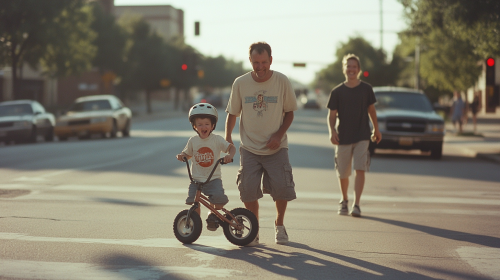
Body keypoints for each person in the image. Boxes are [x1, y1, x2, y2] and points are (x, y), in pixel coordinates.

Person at [225, 42, 297, 246]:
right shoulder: (240, 83)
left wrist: (279, 134)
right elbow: (232, 113)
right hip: (249, 147)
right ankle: (253, 230)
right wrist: (228, 138)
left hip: (277, 147)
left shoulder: (282, 81)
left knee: (282, 188)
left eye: (264, 62)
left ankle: (279, 224)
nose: (260, 66)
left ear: (271, 60)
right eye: (256, 62)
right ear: (250, 61)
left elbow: (290, 112)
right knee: (247, 189)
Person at [327, 54, 381, 218]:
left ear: (358, 70)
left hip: (362, 136)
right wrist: (332, 131)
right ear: (344, 69)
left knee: (360, 168)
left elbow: (371, 111)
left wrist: (376, 130)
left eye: (354, 67)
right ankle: (344, 199)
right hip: (343, 137)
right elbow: (331, 115)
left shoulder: (366, 89)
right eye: (348, 67)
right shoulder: (337, 91)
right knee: (343, 173)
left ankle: (356, 204)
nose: (351, 70)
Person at [176, 103, 236, 231]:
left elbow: (231, 147)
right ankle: (195, 222)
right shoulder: (193, 141)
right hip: (196, 179)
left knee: (218, 201)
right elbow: (188, 153)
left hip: (213, 178)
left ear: (212, 125)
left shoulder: (217, 140)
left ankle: (213, 214)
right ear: (195, 126)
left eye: (207, 124)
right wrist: (182, 155)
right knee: (194, 202)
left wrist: (229, 155)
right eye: (200, 124)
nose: (203, 127)